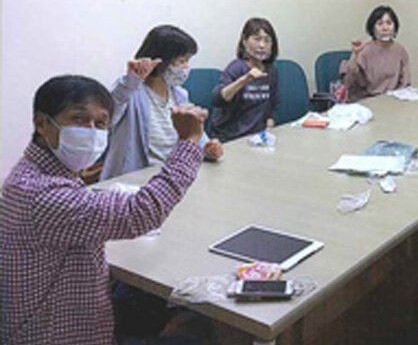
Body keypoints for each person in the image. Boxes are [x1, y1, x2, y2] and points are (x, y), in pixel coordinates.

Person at [0, 75, 208, 345]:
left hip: (72, 302)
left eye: (100, 124)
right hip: (57, 334)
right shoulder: (40, 193)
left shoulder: (37, 172)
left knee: (165, 303)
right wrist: (189, 142)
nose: (91, 132)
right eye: (78, 119)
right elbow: (142, 212)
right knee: (198, 332)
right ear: (41, 123)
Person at [101, 25, 223, 180]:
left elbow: (193, 133)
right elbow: (109, 115)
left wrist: (208, 148)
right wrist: (131, 81)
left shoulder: (179, 94)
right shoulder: (130, 92)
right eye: (181, 61)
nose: (186, 68)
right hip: (136, 181)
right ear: (160, 61)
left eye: (188, 61)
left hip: (172, 174)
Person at [210, 18, 279, 142]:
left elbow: (272, 105)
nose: (262, 45)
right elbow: (217, 99)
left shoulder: (271, 70)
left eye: (267, 40)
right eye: (257, 39)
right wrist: (244, 80)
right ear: (245, 41)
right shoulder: (236, 67)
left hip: (257, 137)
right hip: (230, 137)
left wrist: (269, 128)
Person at [339, 5, 411, 102]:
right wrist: (356, 55)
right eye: (380, 24)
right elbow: (350, 84)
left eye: (389, 23)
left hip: (393, 101)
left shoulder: (400, 51)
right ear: (373, 28)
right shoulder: (364, 50)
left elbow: (405, 83)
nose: (385, 28)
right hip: (366, 100)